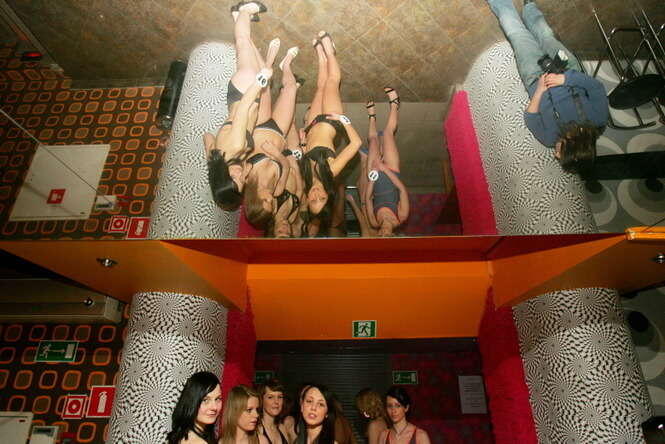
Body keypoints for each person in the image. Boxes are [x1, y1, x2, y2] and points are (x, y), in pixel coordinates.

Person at [486, 0, 609, 173]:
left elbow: (530, 118)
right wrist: (565, 79)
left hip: (535, 77)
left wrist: (540, 90)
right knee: (545, 35)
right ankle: (529, 6)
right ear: (574, 150)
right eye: (560, 154)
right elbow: (596, 88)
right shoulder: (599, 119)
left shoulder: (549, 139)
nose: (555, 154)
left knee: (517, 34)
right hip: (566, 68)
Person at [204, 1, 271, 210]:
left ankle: (243, 9)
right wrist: (212, 155)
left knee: (243, 43)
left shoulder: (234, 148)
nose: (241, 176)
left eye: (235, 178)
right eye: (242, 182)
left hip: (245, 92)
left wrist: (260, 81)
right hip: (236, 96)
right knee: (245, 50)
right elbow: (207, 136)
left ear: (223, 179)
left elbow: (243, 109)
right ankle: (237, 17)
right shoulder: (218, 159)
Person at [301, 31, 362, 229]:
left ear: (307, 199)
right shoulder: (331, 172)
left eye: (313, 200)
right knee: (332, 81)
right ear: (328, 195)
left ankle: (321, 56)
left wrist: (303, 141)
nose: (316, 195)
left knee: (320, 87)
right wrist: (344, 121)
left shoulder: (306, 176)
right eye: (322, 199)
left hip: (311, 125)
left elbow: (307, 151)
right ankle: (329, 50)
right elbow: (356, 144)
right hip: (330, 121)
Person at [245, 43, 301, 230]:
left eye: (265, 201)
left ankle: (263, 54)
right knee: (291, 88)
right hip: (279, 132)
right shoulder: (277, 190)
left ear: (254, 202)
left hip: (259, 126)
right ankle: (286, 64)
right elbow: (286, 165)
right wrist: (276, 154)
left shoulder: (247, 179)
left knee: (265, 84)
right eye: (271, 204)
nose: (270, 198)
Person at [363, 88, 409, 237]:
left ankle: (372, 116)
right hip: (391, 171)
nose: (382, 233)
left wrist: (373, 175)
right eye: (386, 236)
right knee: (388, 133)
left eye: (380, 236)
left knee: (373, 140)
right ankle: (395, 103)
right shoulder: (401, 216)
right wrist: (384, 168)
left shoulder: (374, 222)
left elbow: (368, 199)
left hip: (374, 177)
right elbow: (401, 190)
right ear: (392, 236)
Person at [167, 371, 222, 444]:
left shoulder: (183, 435)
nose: (214, 407)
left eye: (218, 399)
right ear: (192, 401)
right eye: (205, 400)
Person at [257, 379, 297, 444]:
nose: (276, 401)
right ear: (261, 400)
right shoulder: (257, 430)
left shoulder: (282, 428)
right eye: (270, 397)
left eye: (280, 397)